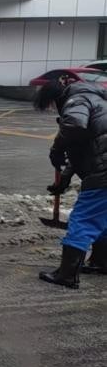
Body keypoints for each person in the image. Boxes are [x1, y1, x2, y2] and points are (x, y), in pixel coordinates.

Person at [34, 79, 107, 289]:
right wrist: (65, 177)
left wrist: (56, 149)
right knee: (103, 217)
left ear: (54, 98)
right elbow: (86, 145)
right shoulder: (96, 100)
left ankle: (67, 275)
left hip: (102, 173)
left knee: (84, 219)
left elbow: (74, 125)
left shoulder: (77, 99)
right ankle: (101, 262)